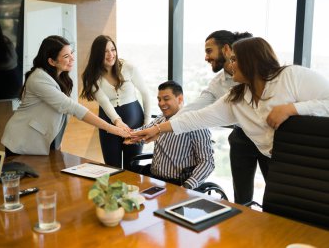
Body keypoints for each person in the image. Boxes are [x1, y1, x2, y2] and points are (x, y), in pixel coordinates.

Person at [131, 37, 329, 196]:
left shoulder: (291, 76)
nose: (230, 64)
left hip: (311, 163)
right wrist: (157, 130)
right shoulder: (237, 98)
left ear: (251, 61)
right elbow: (197, 118)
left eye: (234, 60)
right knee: (277, 217)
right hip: (278, 166)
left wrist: (291, 108)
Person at [1, 35, 129, 157]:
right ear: (51, 61)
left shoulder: (59, 77)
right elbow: (72, 108)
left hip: (43, 139)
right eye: (66, 56)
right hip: (22, 140)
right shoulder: (38, 79)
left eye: (71, 53)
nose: (72, 58)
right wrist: (111, 128)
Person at [177, 30, 260, 204]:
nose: (206, 57)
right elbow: (198, 106)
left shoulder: (256, 73)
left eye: (209, 51)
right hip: (242, 137)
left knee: (276, 195)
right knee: (241, 197)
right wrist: (162, 125)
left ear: (226, 49)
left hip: (268, 138)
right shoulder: (218, 82)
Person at [126, 81, 214, 189]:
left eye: (166, 99)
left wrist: (187, 186)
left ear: (180, 99)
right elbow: (144, 131)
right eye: (159, 99)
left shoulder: (195, 124)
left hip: (177, 183)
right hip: (154, 179)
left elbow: (207, 162)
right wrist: (125, 132)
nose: (161, 103)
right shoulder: (160, 119)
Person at [81, 35, 151, 169]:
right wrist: (117, 122)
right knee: (112, 167)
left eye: (113, 49)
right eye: (105, 51)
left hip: (135, 122)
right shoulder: (91, 76)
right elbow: (104, 102)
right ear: (97, 54)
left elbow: (145, 93)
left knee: (133, 168)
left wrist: (146, 124)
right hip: (109, 123)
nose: (110, 54)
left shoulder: (128, 67)